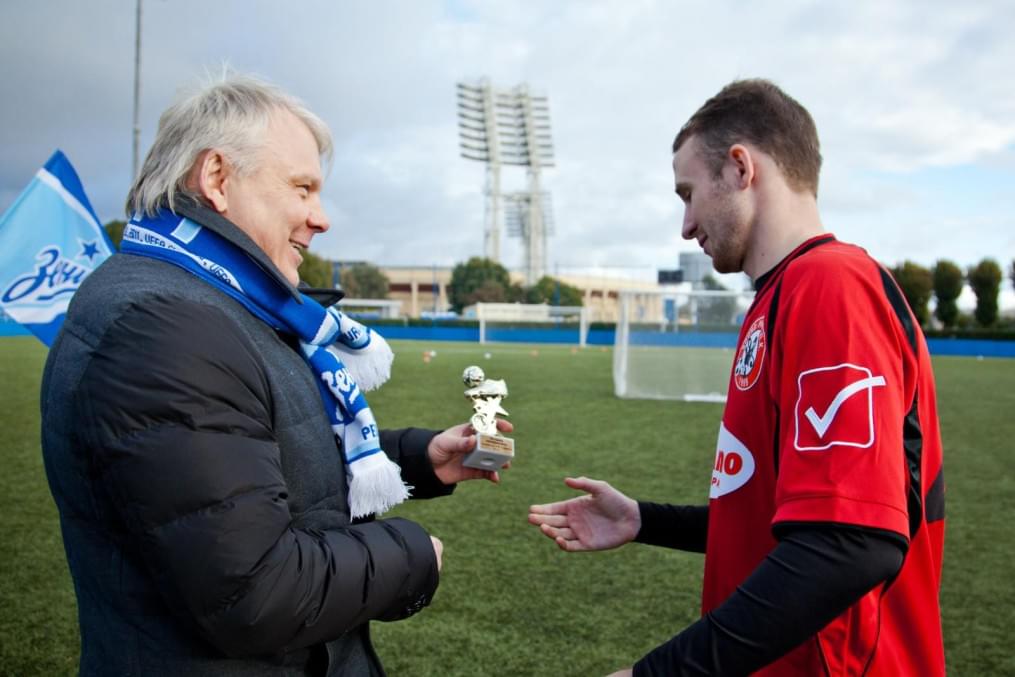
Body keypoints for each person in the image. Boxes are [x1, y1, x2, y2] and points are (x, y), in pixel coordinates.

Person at [40, 73, 509, 676]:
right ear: (217, 178)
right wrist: (413, 555)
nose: (321, 218)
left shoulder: (209, 299)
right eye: (302, 188)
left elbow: (255, 458)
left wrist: (420, 459)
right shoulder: (169, 326)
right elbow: (254, 591)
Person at [529, 79, 945, 676]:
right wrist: (644, 519)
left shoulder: (831, 286)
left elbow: (851, 542)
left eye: (688, 193)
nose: (686, 224)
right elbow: (785, 516)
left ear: (740, 168)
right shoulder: (780, 295)